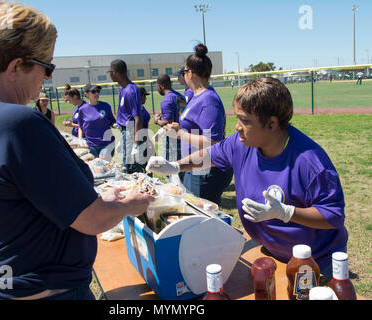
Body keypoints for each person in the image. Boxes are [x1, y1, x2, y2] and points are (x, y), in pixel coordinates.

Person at [0, 1, 153, 300]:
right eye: (46, 67)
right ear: (15, 67)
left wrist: (97, 197)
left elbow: (25, 197)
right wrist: (131, 205)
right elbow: (94, 221)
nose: (47, 77)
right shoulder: (18, 123)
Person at [146, 77, 348, 277]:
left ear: (271, 124)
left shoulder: (311, 163)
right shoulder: (240, 143)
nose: (237, 127)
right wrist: (175, 166)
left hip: (313, 263)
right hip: (272, 252)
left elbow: (333, 216)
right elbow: (210, 155)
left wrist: (286, 212)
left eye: (245, 120)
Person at [160, 44, 233, 205]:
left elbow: (214, 142)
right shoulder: (196, 96)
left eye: (184, 72)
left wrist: (181, 134)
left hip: (206, 170)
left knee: (201, 217)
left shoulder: (208, 100)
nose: (183, 76)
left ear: (190, 74)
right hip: (195, 166)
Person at [108, 59, 144, 173]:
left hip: (130, 131)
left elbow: (137, 118)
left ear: (115, 73)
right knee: (126, 166)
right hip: (125, 131)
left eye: (110, 72)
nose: (109, 75)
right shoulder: (123, 90)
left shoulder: (131, 90)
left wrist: (136, 144)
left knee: (131, 169)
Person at [78, 83, 116, 160]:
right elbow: (80, 127)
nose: (96, 93)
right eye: (93, 91)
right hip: (91, 146)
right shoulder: (82, 109)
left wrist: (116, 125)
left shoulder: (106, 106)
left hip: (107, 143)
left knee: (103, 163)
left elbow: (112, 121)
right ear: (86, 94)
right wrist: (80, 140)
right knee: (95, 169)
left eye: (98, 91)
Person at [154, 74, 183, 163]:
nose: (157, 89)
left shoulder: (167, 100)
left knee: (171, 167)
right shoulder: (179, 95)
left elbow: (168, 122)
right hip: (184, 134)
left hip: (173, 138)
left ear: (161, 86)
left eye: (157, 86)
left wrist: (157, 120)